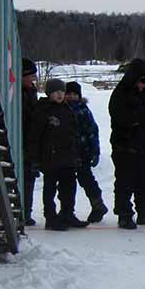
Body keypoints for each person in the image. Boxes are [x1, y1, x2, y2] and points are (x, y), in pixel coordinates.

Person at [109, 58, 145, 229]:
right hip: (124, 145)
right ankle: (124, 215)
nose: (144, 85)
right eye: (142, 81)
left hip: (141, 144)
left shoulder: (143, 94)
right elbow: (126, 119)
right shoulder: (120, 95)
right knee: (125, 182)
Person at [28, 78, 87, 231]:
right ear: (49, 94)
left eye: (62, 92)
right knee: (50, 188)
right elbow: (35, 136)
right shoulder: (43, 110)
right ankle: (51, 217)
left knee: (69, 187)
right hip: (50, 158)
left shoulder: (68, 109)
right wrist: (35, 159)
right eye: (56, 92)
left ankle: (67, 213)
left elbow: (74, 133)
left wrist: (77, 155)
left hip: (68, 157)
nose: (60, 95)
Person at [65, 81, 108, 223]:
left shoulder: (83, 110)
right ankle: (67, 210)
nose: (71, 97)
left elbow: (92, 131)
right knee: (68, 181)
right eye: (69, 94)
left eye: (74, 94)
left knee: (86, 179)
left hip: (82, 152)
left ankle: (98, 205)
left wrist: (95, 151)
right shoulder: (62, 110)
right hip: (67, 152)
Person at [21, 58, 40, 226]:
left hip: (32, 142)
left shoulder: (32, 92)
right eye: (31, 75)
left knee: (29, 178)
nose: (34, 79)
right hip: (20, 139)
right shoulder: (17, 93)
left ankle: (26, 211)